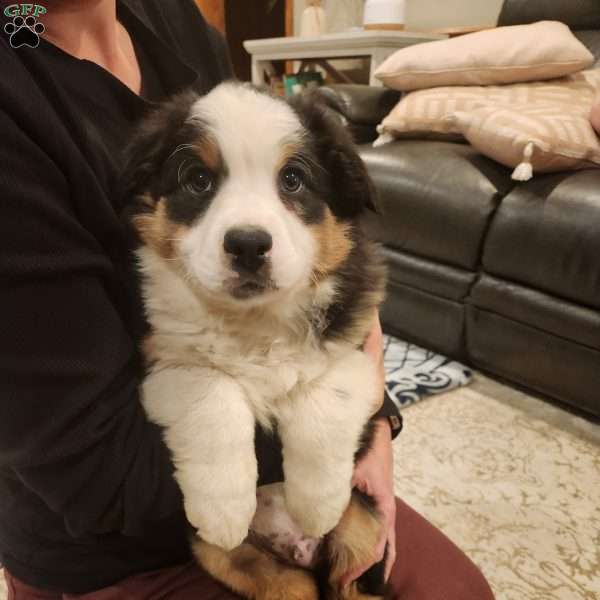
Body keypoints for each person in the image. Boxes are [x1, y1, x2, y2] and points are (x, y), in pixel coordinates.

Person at [0, 1, 495, 598]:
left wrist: (373, 417)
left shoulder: (165, 15)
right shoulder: (16, 61)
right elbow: (100, 478)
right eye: (199, 181)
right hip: (113, 534)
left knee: (458, 590)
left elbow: (322, 235)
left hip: (279, 446)